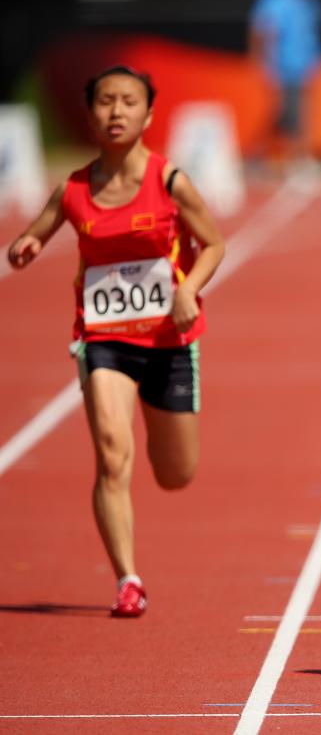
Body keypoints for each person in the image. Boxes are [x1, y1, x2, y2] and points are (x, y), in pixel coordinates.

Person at [6, 65, 225, 617]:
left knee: (175, 473)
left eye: (129, 101)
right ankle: (128, 579)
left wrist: (189, 289)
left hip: (169, 338)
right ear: (91, 113)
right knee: (110, 452)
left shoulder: (170, 181)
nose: (117, 111)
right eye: (105, 101)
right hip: (103, 339)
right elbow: (36, 230)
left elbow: (215, 244)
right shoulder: (75, 189)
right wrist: (26, 246)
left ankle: (160, 430)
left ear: (149, 115)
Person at [248, 0, 321, 173]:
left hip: (304, 67)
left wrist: (316, 59)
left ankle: (296, 157)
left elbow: (313, 32)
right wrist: (265, 65)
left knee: (298, 114)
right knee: (284, 114)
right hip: (282, 67)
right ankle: (289, 158)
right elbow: (262, 31)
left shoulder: (310, 0)